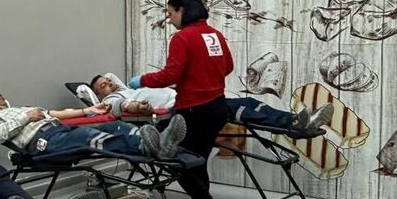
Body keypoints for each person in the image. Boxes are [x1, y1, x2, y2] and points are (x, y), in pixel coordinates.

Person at [127, 0, 239, 199]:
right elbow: (228, 67)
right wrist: (204, 77)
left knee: (178, 163)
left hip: (193, 110)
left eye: (170, 13)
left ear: (182, 10)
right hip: (217, 107)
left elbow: (170, 75)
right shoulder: (214, 34)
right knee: (198, 162)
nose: (170, 19)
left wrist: (141, 80)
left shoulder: (182, 37)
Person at [0, 88, 187, 161]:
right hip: (42, 143)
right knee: (87, 138)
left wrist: (88, 110)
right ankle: (145, 145)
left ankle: (157, 142)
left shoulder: (20, 108)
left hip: (60, 130)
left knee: (113, 127)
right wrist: (26, 117)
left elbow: (55, 113)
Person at [89, 74, 333, 132]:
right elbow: (124, 108)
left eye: (108, 81)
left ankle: (296, 120)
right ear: (98, 95)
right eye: (102, 85)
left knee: (246, 100)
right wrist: (139, 107)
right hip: (173, 116)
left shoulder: (133, 88)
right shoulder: (112, 100)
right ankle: (293, 124)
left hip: (186, 103)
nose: (107, 83)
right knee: (233, 109)